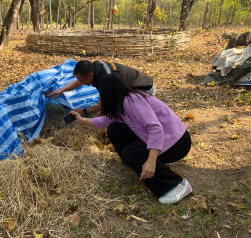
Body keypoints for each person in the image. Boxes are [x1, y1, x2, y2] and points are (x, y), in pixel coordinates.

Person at [70, 73, 192, 204]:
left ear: (109, 92)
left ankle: (176, 185)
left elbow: (155, 128)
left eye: (101, 93)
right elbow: (106, 120)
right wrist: (82, 120)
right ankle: (136, 162)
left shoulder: (132, 100)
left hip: (176, 143)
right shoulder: (120, 101)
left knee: (131, 153)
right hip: (163, 138)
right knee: (114, 129)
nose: (100, 97)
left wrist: (151, 161)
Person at [47, 60, 155, 116]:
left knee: (121, 112)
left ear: (89, 75)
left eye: (82, 80)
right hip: (131, 85)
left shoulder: (106, 80)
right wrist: (61, 90)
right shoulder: (95, 67)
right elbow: (77, 83)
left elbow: (102, 106)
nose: (81, 83)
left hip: (143, 90)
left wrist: (83, 111)